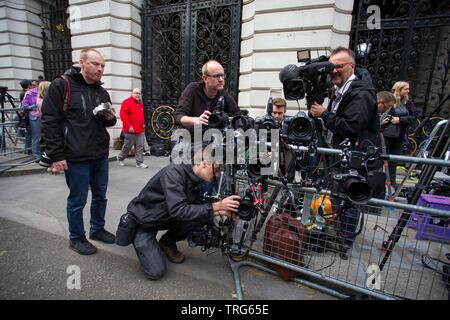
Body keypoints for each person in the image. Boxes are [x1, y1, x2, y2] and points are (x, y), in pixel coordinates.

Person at [121, 147, 241, 280]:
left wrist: (222, 210)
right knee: (156, 272)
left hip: (166, 216)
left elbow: (199, 209)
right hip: (145, 221)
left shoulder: (199, 178)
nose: (217, 174)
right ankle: (143, 239)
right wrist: (216, 207)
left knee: (202, 216)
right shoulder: (174, 173)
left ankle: (167, 242)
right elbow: (179, 210)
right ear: (203, 163)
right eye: (217, 169)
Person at [41, 48, 117, 255]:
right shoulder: (62, 85)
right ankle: (76, 238)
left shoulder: (102, 91)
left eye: (102, 65)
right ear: (82, 63)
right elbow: (49, 120)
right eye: (95, 64)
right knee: (78, 200)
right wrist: (56, 155)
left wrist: (111, 118)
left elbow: (107, 121)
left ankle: (97, 229)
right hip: (75, 156)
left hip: (100, 154)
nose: (100, 69)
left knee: (101, 196)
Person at [309, 47, 379, 251]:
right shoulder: (342, 90)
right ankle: (336, 233)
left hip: (354, 156)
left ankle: (343, 242)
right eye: (332, 66)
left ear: (352, 66)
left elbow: (350, 126)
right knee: (338, 195)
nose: (334, 70)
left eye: (339, 66)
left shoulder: (362, 92)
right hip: (340, 154)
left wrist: (324, 114)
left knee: (350, 197)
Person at [174, 60, 240, 132]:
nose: (221, 79)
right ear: (205, 79)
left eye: (222, 75)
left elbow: (237, 114)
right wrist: (196, 120)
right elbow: (178, 116)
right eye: (216, 76)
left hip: (213, 138)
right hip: (190, 138)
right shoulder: (193, 89)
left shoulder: (223, 94)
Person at [382, 81, 419, 190]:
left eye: (408, 89)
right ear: (399, 90)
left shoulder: (408, 103)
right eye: (406, 89)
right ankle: (379, 180)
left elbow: (414, 116)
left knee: (394, 160)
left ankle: (391, 181)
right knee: (381, 158)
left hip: (399, 134)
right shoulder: (389, 100)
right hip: (386, 133)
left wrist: (400, 119)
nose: (408, 91)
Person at [117, 88, 148, 168]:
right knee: (127, 146)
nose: (138, 95)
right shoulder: (127, 102)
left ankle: (139, 163)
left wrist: (143, 124)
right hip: (130, 130)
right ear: (132, 94)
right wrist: (129, 126)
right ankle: (120, 158)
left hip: (140, 130)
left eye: (139, 93)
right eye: (136, 93)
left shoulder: (140, 103)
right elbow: (123, 115)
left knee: (140, 147)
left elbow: (140, 115)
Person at [21, 82, 41, 161]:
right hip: (34, 117)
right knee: (36, 137)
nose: (34, 86)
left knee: (43, 137)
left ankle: (42, 154)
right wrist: (34, 106)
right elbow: (24, 105)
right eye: (33, 85)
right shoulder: (28, 93)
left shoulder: (42, 92)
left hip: (44, 116)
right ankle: (37, 155)